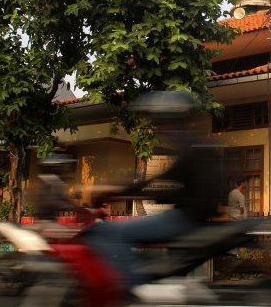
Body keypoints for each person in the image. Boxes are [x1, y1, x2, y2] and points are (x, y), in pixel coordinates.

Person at [82, 91, 227, 287]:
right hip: (191, 218)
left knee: (113, 232)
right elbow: (161, 184)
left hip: (184, 220)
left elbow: (155, 183)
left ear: (170, 120)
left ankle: (136, 287)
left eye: (159, 121)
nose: (158, 127)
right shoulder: (194, 145)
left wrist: (114, 190)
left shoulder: (189, 148)